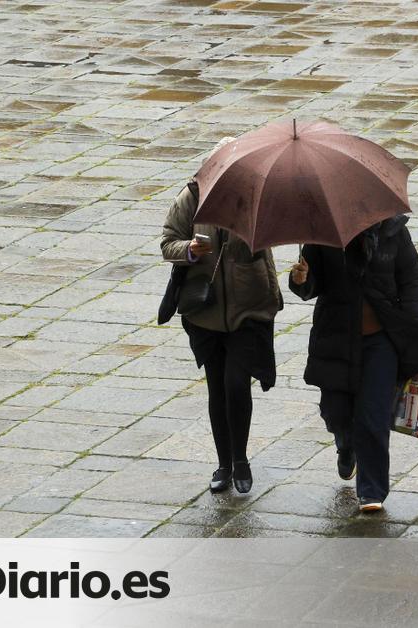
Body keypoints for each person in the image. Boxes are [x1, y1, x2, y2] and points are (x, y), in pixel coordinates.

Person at [289, 215, 418, 512]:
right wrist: (300, 280)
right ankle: (345, 444)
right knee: (335, 411)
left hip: (381, 340)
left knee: (373, 416)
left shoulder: (394, 232)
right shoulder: (322, 233)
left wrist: (415, 336)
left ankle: (371, 490)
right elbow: (311, 285)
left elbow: (410, 282)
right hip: (336, 335)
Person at [161, 139, 283, 495]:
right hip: (206, 312)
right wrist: (190, 250)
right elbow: (168, 242)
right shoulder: (193, 197)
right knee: (217, 387)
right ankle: (223, 463)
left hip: (249, 308)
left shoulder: (254, 198)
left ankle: (241, 459)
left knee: (235, 384)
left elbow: (271, 241)